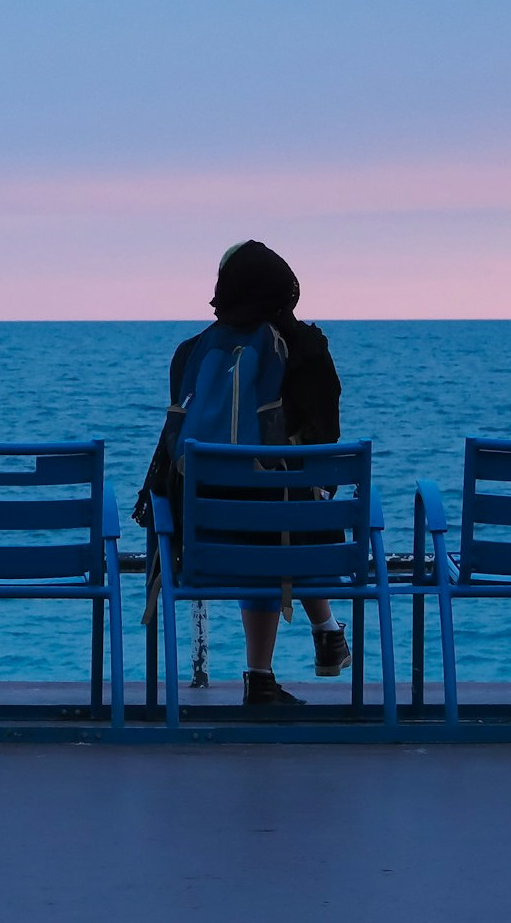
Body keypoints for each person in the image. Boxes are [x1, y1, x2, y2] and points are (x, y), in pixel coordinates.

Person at [135, 240, 351, 706]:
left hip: (202, 540)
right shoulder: (303, 348)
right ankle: (318, 633)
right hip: (290, 535)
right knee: (289, 512)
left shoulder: (191, 352)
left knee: (267, 518)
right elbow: (325, 443)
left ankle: (274, 669)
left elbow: (172, 442)